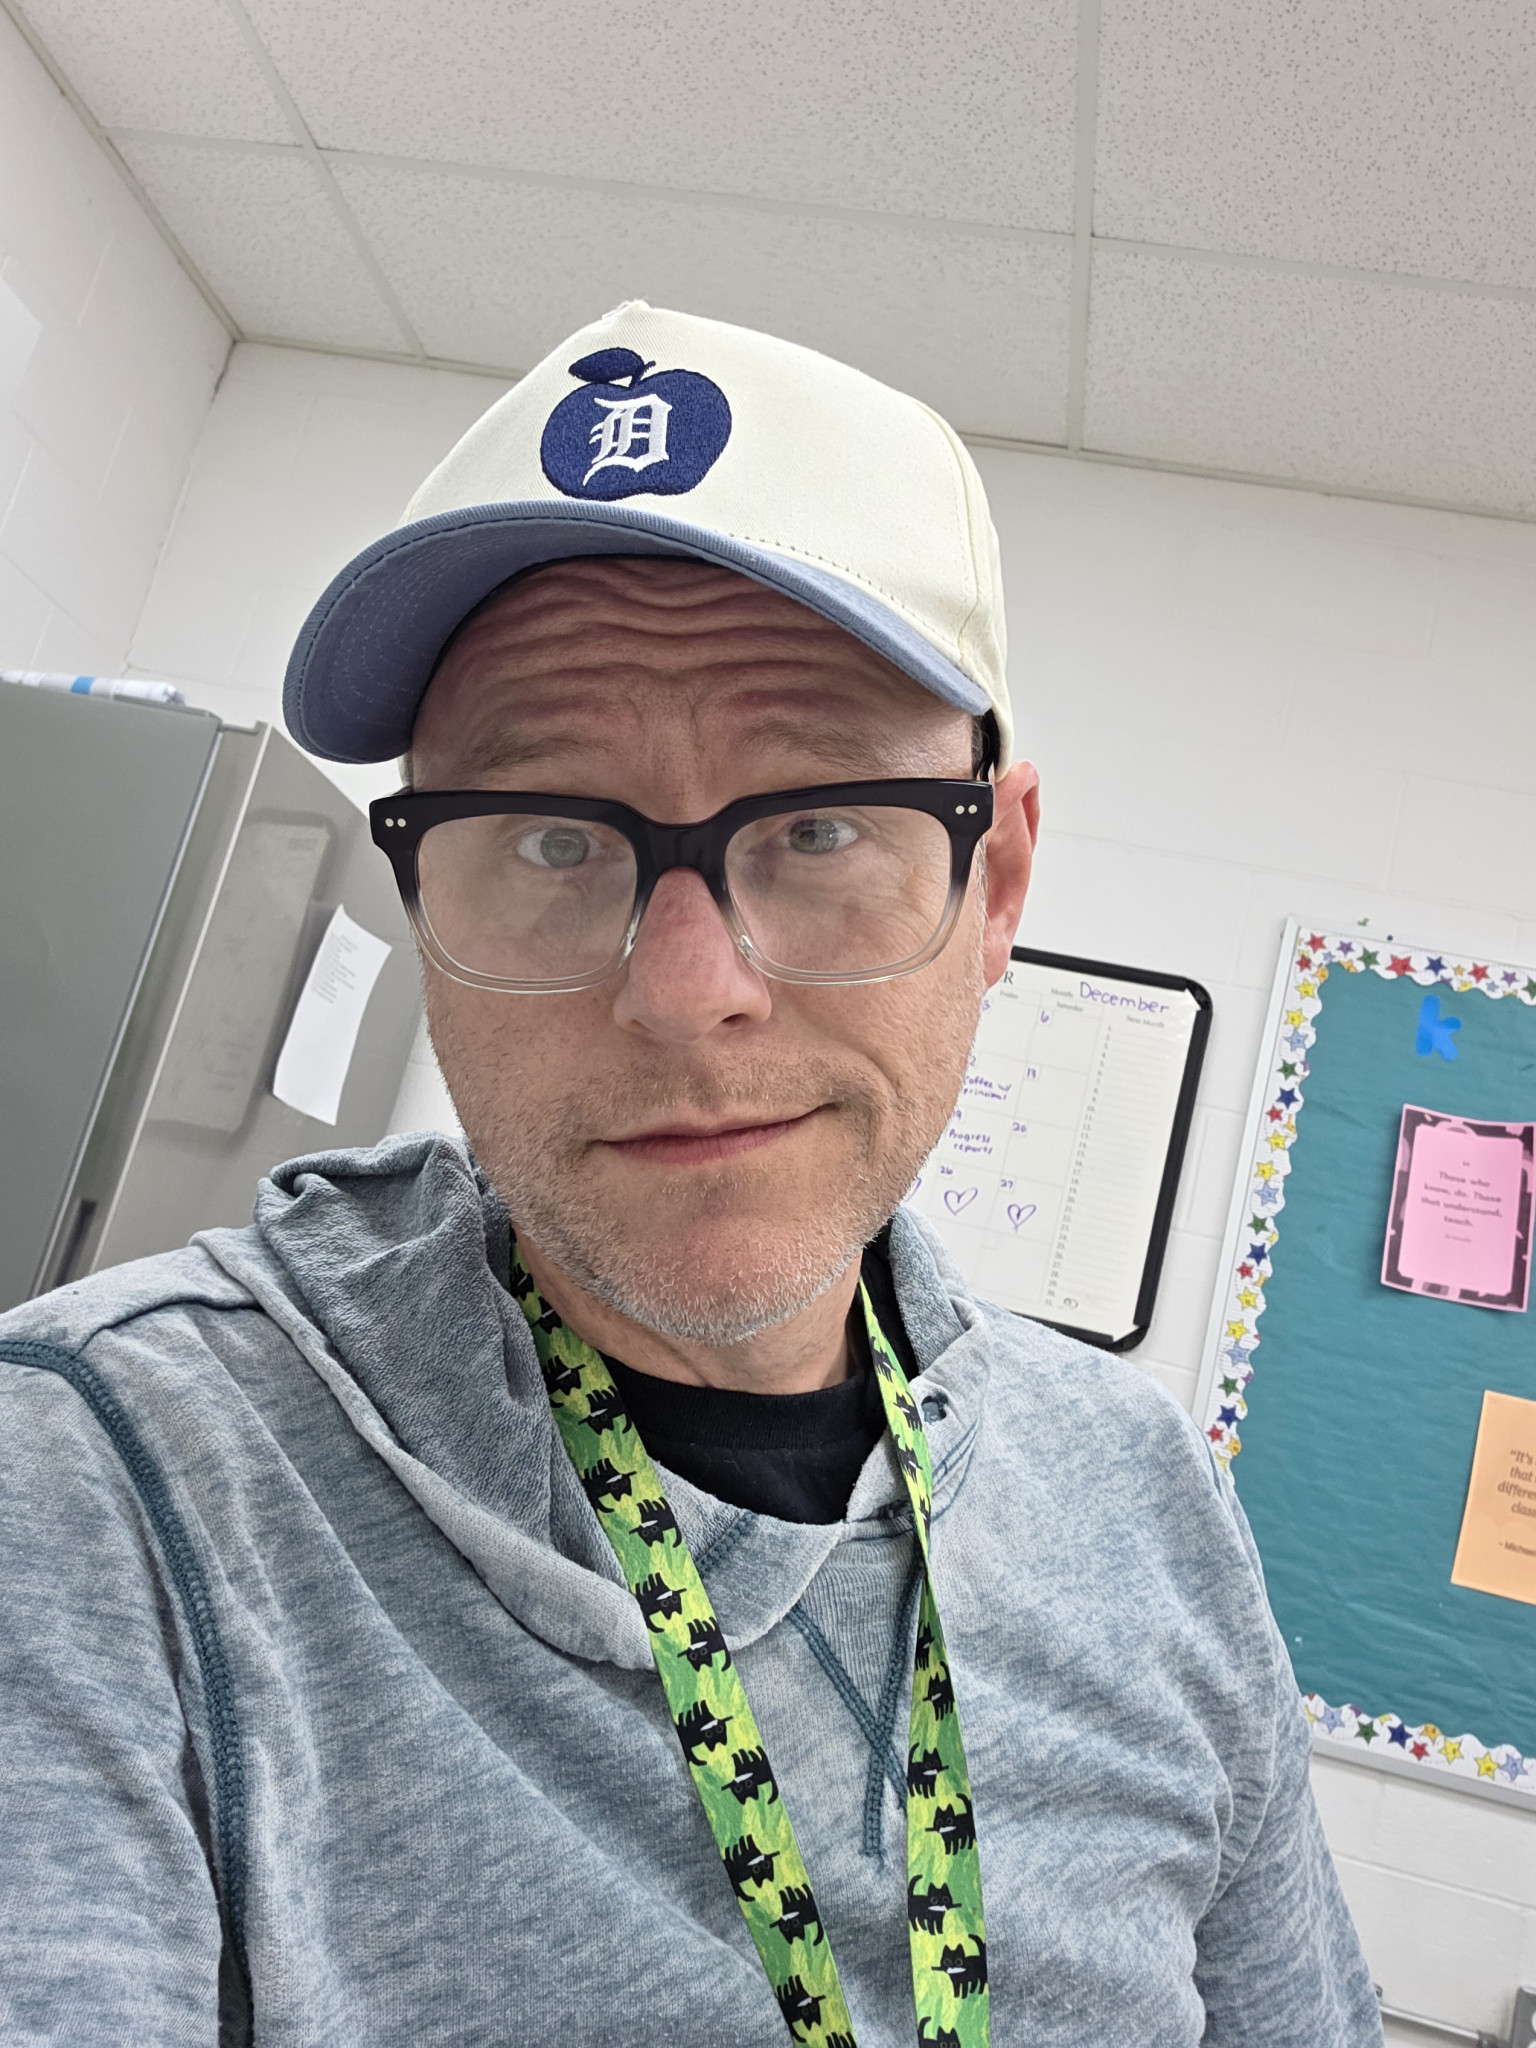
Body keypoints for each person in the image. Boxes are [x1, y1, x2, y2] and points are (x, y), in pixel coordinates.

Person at [0, 302, 1382, 2047]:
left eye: (817, 826)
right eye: (550, 839)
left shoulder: (1148, 1502)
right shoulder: (103, 1479)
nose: (685, 988)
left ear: (999, 887)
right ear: (421, 897)